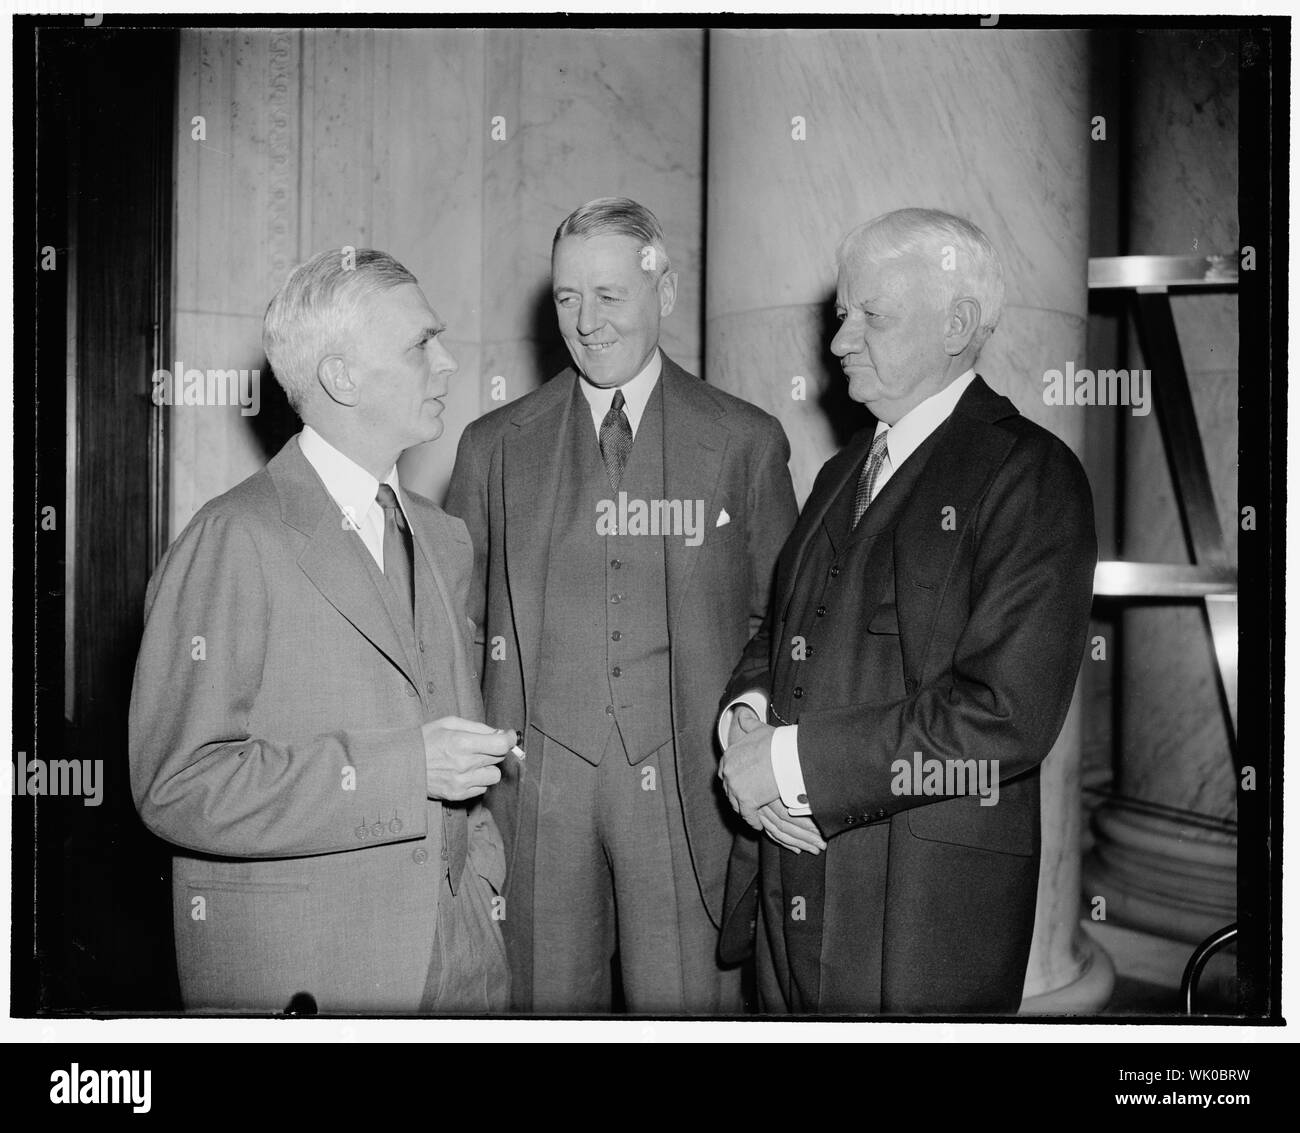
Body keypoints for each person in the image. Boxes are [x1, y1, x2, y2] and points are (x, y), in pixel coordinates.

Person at [717, 208, 1096, 1014]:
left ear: (958, 325)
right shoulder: (842, 469)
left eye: (871, 316)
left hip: (920, 913)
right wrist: (747, 720)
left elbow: (1005, 717)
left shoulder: (1033, 475)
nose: (840, 341)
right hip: (792, 890)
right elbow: (782, 634)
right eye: (844, 314)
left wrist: (788, 765)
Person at [129, 248, 512, 1013]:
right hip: (313, 979)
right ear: (340, 377)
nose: (446, 363)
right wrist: (407, 770)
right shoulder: (232, 538)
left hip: (461, 967)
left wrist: (481, 889)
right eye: (419, 344)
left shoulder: (442, 536)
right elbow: (177, 783)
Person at [445, 197, 797, 1013]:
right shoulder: (492, 445)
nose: (586, 321)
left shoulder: (745, 440)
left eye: (609, 296)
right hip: (537, 790)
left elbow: (780, 625)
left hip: (686, 789)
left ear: (663, 292)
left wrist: (753, 737)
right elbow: (454, 626)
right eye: (568, 298)